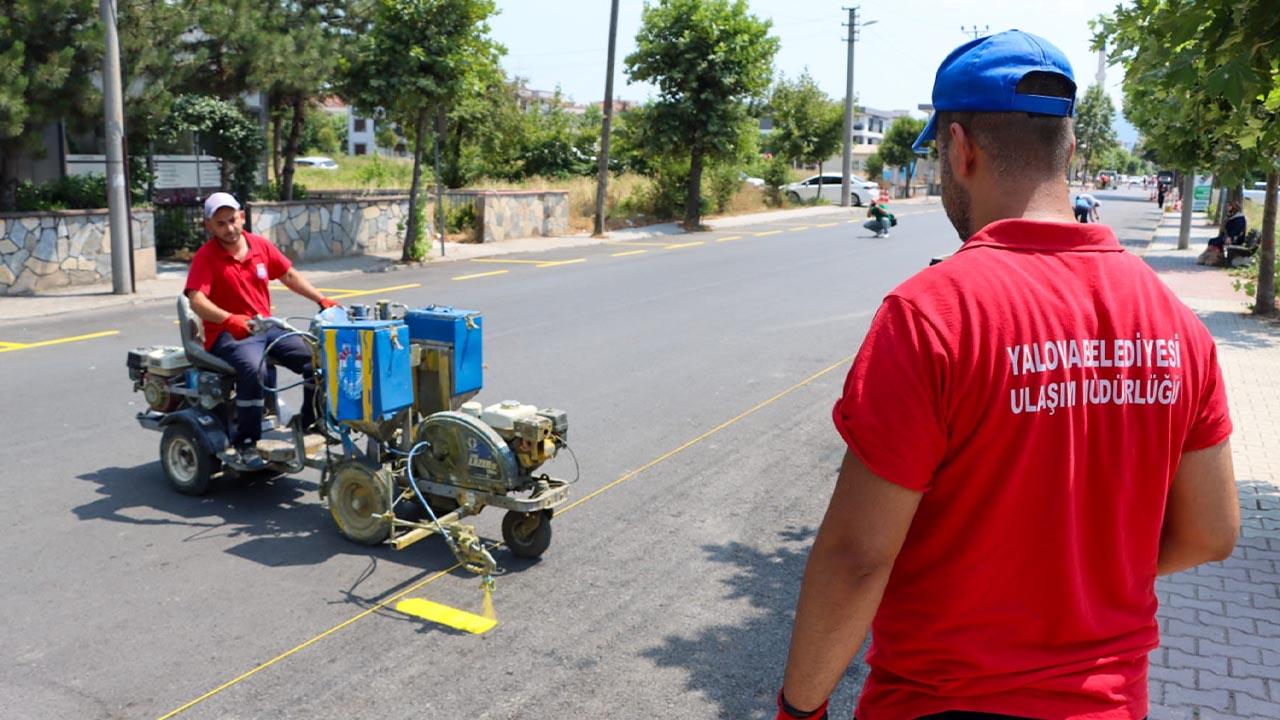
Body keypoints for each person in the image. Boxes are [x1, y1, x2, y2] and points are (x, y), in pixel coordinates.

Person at [776, 30, 1237, 720]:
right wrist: (1080, 579)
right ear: (1071, 150)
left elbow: (856, 558)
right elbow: (1211, 533)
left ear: (960, 149)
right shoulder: (1178, 326)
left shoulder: (931, 315)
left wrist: (801, 709)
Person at [184, 192, 341, 470]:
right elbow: (196, 299)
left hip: (265, 327)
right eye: (221, 224)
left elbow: (288, 275)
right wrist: (228, 318)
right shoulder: (206, 257)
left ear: (241, 217)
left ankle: (310, 421)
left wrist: (321, 299)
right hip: (229, 333)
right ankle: (246, 442)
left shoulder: (259, 246)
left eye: (232, 220)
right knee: (255, 371)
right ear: (209, 226)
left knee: (316, 358)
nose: (229, 228)